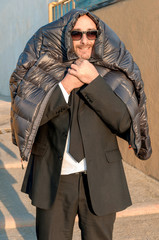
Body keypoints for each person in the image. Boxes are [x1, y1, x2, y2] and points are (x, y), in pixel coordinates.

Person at [10, 9, 152, 240]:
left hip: (99, 179)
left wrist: (93, 81)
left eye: (91, 33)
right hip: (53, 179)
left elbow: (124, 122)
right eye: (77, 34)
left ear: (99, 36)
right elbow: (30, 117)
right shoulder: (44, 69)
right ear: (66, 35)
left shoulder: (112, 73)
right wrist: (65, 85)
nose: (85, 40)